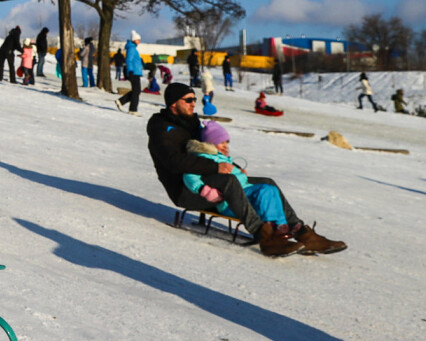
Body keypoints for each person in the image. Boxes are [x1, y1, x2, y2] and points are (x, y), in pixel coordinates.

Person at [147, 82, 346, 257]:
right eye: (188, 100)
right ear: (174, 104)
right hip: (187, 190)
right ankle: (265, 236)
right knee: (230, 182)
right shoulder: (161, 127)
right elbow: (175, 163)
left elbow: (212, 151)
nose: (193, 103)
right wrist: (217, 167)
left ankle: (301, 231)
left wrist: (233, 167)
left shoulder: (191, 123)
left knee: (267, 183)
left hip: (210, 180)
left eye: (194, 99)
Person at [116, 31, 144, 113]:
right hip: (134, 72)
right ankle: (133, 109)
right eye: (138, 40)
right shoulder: (132, 48)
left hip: (136, 72)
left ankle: (121, 101)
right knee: (136, 91)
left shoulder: (133, 48)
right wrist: (130, 70)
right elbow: (129, 60)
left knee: (136, 91)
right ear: (134, 40)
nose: (139, 41)